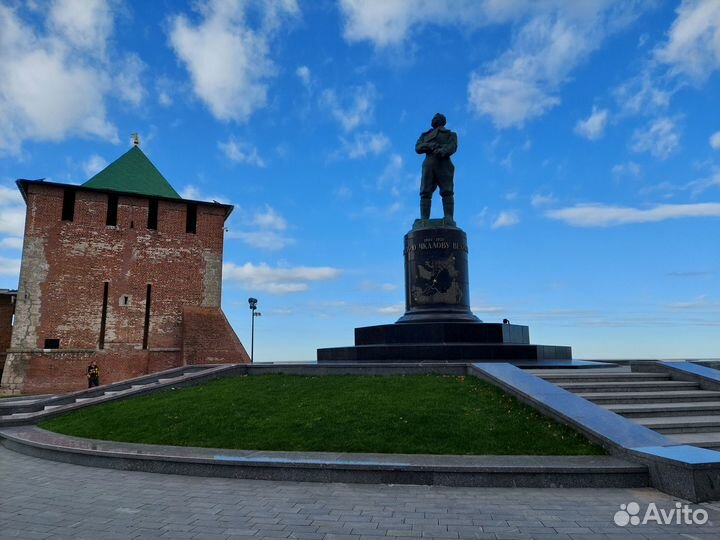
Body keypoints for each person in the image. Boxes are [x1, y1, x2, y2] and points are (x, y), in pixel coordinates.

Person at [415, 113, 458, 222]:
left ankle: (449, 217)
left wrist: (442, 150)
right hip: (428, 164)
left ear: (442, 121)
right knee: (425, 192)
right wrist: (429, 145)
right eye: (433, 118)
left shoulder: (450, 134)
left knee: (447, 191)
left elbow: (452, 147)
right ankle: (424, 219)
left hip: (444, 163)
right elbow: (418, 148)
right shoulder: (425, 135)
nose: (434, 119)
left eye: (436, 118)